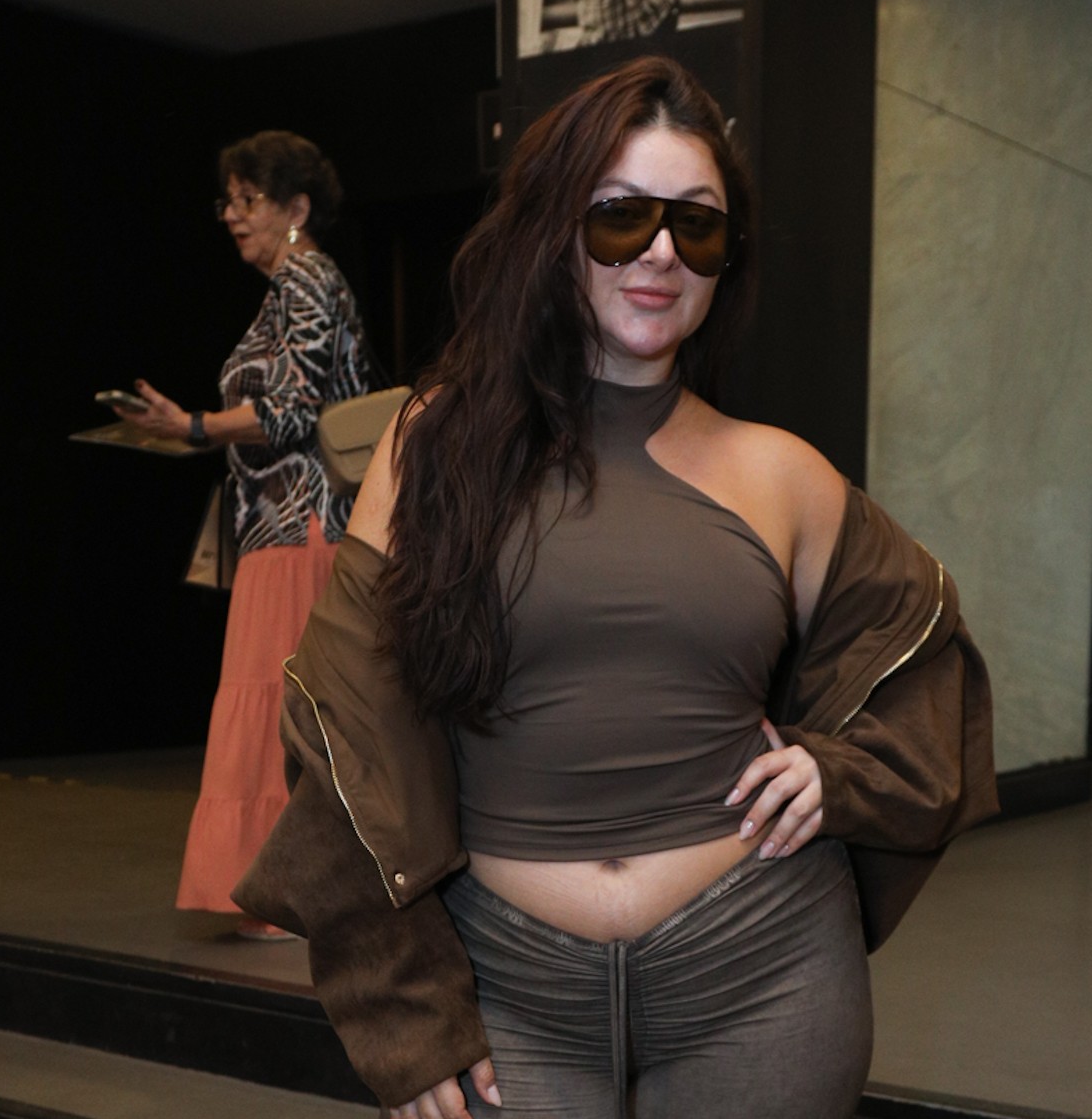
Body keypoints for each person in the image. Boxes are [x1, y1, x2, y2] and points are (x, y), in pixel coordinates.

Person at [235, 57, 998, 1115]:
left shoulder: (783, 474)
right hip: (503, 985)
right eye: (620, 216)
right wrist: (400, 1007)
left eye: (699, 226)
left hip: (764, 969)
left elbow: (926, 662)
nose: (661, 252)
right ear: (553, 230)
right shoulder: (435, 444)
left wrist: (843, 774)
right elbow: (343, 727)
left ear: (727, 258)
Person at [112, 130, 377, 940]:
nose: (231, 215)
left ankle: (299, 896)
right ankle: (279, 893)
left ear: (297, 208)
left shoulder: (307, 279)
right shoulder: (287, 288)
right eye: (227, 201)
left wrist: (193, 425)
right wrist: (188, 429)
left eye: (248, 200)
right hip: (277, 524)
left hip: (306, 523)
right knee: (274, 709)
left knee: (286, 711)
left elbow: (290, 412)